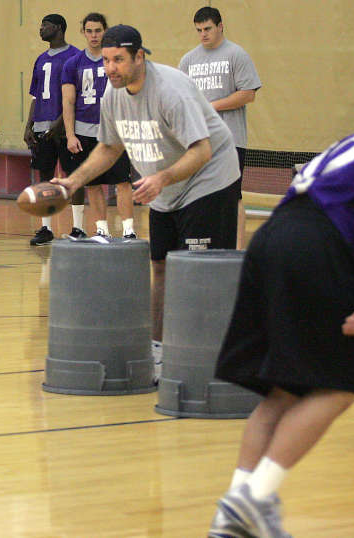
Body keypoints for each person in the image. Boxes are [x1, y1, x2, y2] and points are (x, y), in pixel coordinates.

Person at [208, 127, 354, 538]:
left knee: (284, 391)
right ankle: (254, 498)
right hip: (319, 247)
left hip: (271, 239)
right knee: (337, 388)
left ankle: (233, 514)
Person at [52, 25, 240, 381]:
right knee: (162, 268)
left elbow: (203, 149)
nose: (110, 68)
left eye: (118, 59)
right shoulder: (113, 94)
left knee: (199, 272)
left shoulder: (171, 90)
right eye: (106, 60)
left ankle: (209, 357)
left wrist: (163, 178)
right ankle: (157, 351)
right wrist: (73, 180)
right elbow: (109, 147)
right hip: (164, 188)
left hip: (207, 180)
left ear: (140, 56)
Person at [179, 6, 261, 249]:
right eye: (199, 30)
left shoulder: (236, 55)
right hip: (197, 140)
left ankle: (236, 250)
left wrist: (210, 106)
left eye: (208, 29)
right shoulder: (188, 60)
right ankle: (202, 246)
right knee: (198, 194)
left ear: (220, 26)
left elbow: (248, 94)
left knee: (232, 196)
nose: (203, 34)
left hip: (229, 139)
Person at [61, 12, 136, 240]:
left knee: (123, 181)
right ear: (83, 32)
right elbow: (68, 100)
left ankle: (128, 229)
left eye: (98, 30)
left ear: (105, 31)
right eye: (89, 31)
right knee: (93, 183)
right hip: (85, 131)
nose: (94, 35)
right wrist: (70, 135)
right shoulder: (73, 63)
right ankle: (101, 228)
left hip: (115, 131)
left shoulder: (116, 60)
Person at [25, 14, 80, 245]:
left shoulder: (75, 56)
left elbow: (75, 96)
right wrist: (29, 125)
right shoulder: (40, 59)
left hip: (65, 128)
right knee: (44, 177)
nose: (41, 29)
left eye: (45, 25)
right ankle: (46, 228)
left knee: (74, 176)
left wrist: (60, 125)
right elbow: (36, 96)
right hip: (41, 126)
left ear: (58, 28)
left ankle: (78, 227)